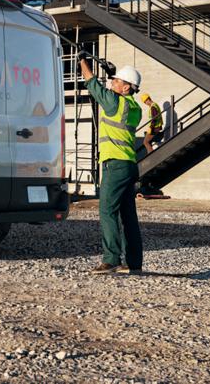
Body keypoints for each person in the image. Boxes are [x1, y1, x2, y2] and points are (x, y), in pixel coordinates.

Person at [79, 56, 143, 275]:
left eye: (116, 81)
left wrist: (82, 60)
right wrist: (110, 72)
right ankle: (133, 263)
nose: (112, 83)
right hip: (129, 165)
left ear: (125, 87)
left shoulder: (114, 102)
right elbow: (110, 90)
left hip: (114, 165)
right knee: (128, 216)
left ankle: (111, 259)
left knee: (107, 210)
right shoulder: (134, 106)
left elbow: (91, 82)